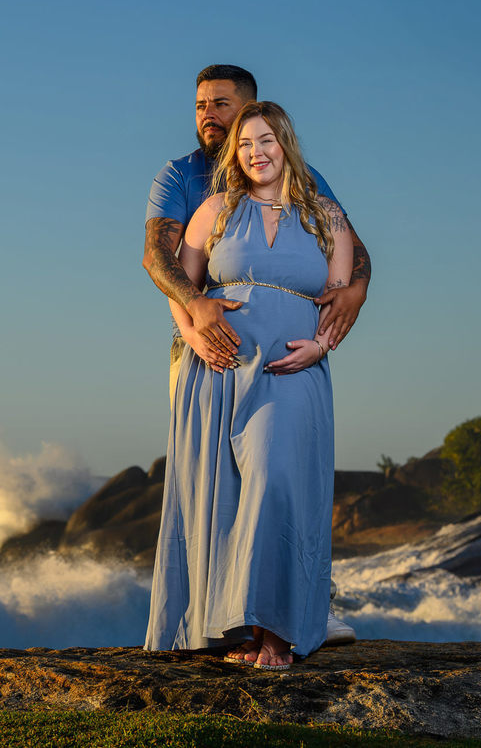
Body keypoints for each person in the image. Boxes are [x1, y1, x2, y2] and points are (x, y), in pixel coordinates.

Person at [141, 65, 364, 646]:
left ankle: (286, 618)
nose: (208, 115)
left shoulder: (321, 204)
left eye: (223, 106)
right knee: (213, 487)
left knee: (275, 474)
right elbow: (164, 267)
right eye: (201, 107)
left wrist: (324, 340)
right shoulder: (197, 191)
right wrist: (193, 328)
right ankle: (216, 623)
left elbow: (350, 276)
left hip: (288, 367)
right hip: (213, 359)